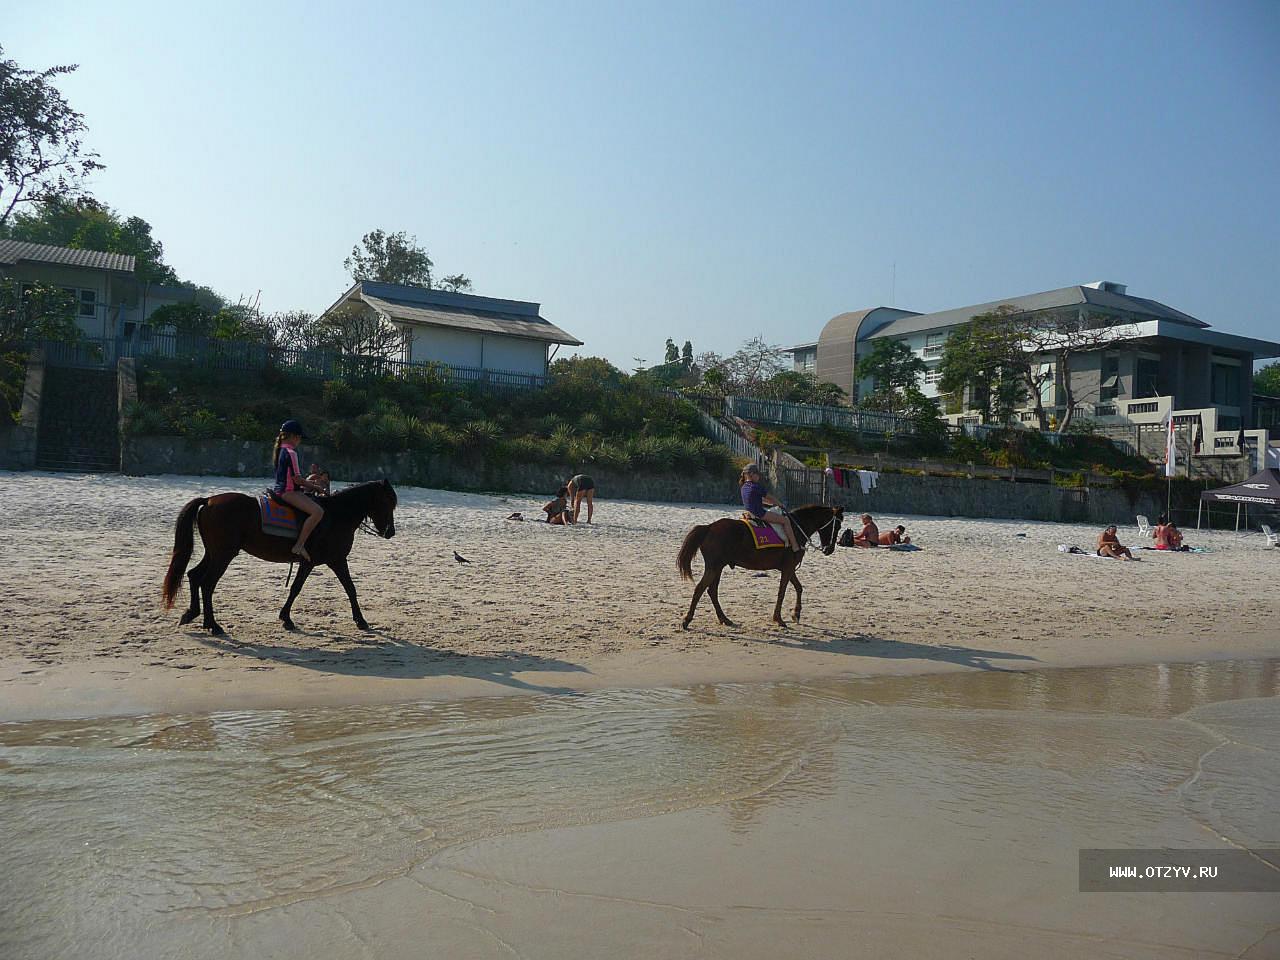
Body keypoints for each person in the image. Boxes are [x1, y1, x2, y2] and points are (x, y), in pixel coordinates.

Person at [272, 419, 327, 561]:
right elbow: (297, 479)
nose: (300, 440)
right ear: (294, 437)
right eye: (300, 437)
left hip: (281, 489)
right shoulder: (291, 452)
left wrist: (307, 484)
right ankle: (299, 545)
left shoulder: (280, 450)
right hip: (289, 492)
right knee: (317, 512)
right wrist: (316, 487)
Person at [739, 464, 801, 552]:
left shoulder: (744, 487)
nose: (759, 477)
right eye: (758, 474)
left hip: (749, 512)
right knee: (785, 521)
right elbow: (770, 497)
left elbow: (758, 500)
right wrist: (780, 505)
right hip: (760, 513)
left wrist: (772, 504)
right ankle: (795, 546)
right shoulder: (756, 486)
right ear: (752, 474)